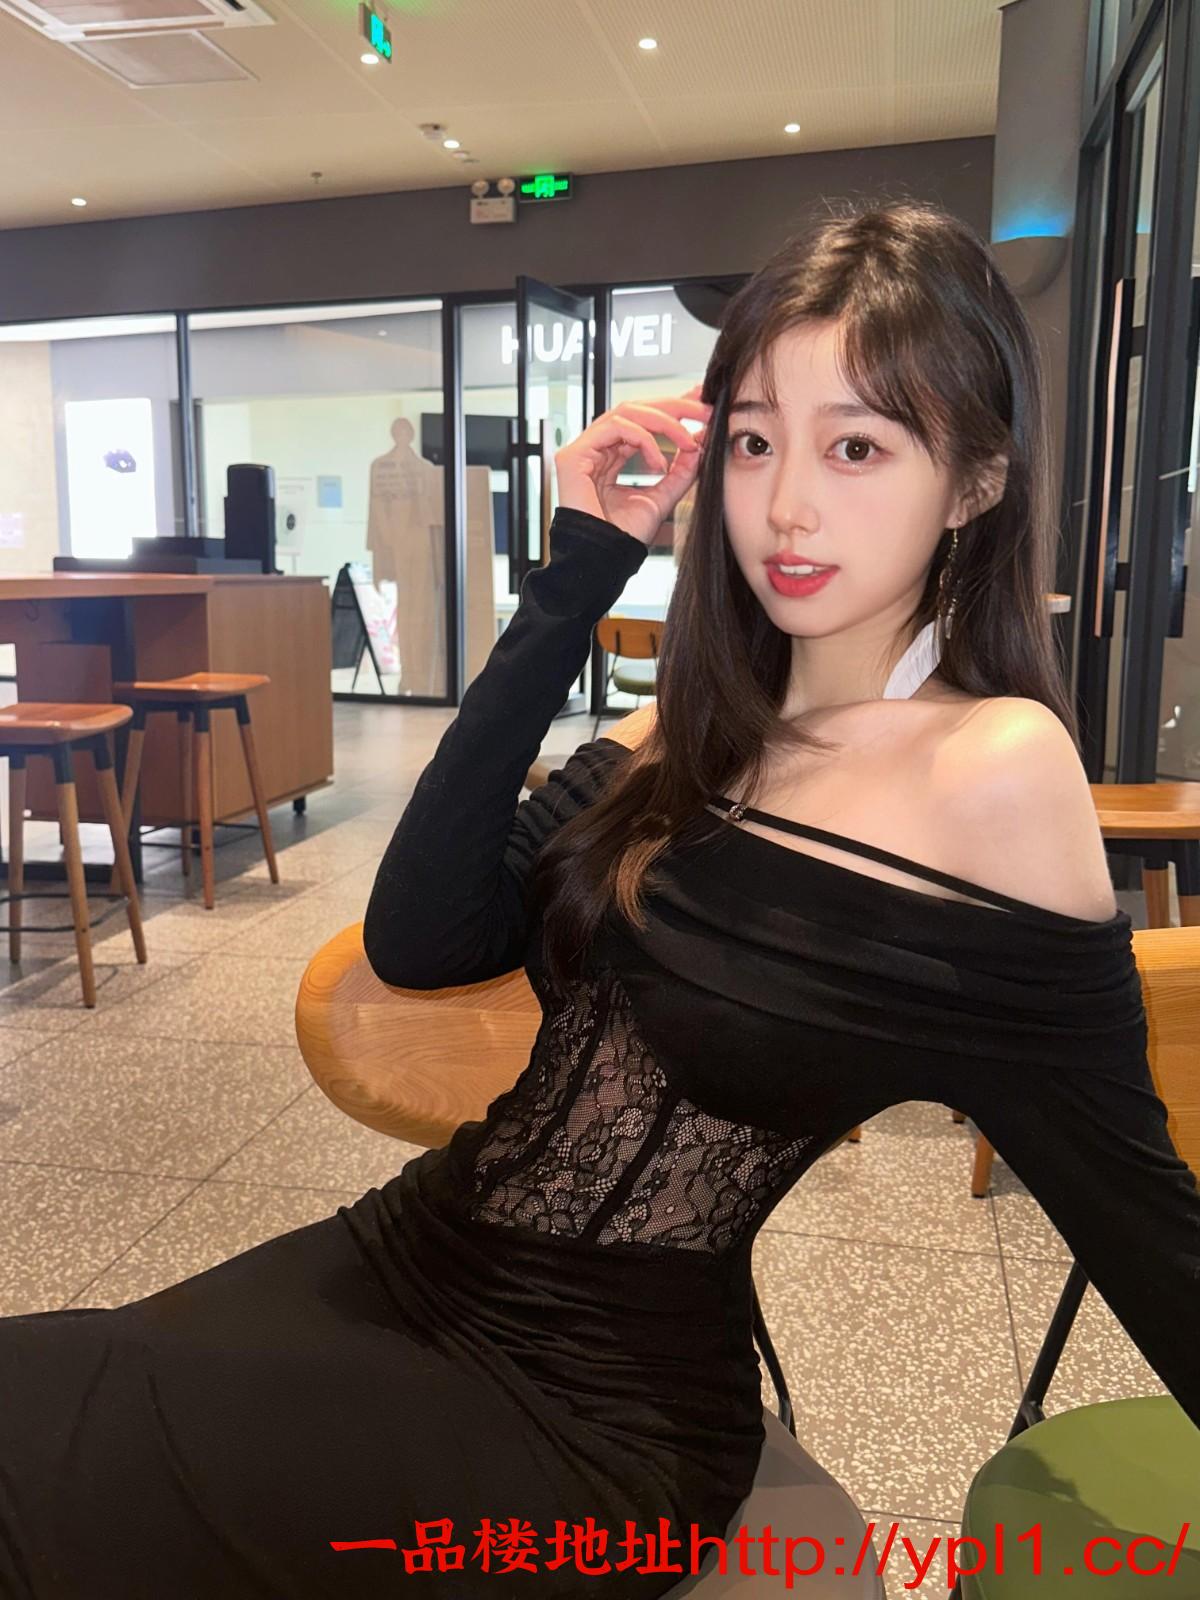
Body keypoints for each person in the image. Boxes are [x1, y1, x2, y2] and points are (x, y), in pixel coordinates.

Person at [1, 198, 1198, 1599]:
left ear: (976, 482)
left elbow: (1134, 1205)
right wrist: (579, 567)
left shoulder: (991, 769)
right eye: (754, 441)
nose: (786, 506)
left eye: (857, 447)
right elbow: (424, 937)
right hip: (417, 1253)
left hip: (594, 1417)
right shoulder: (688, 724)